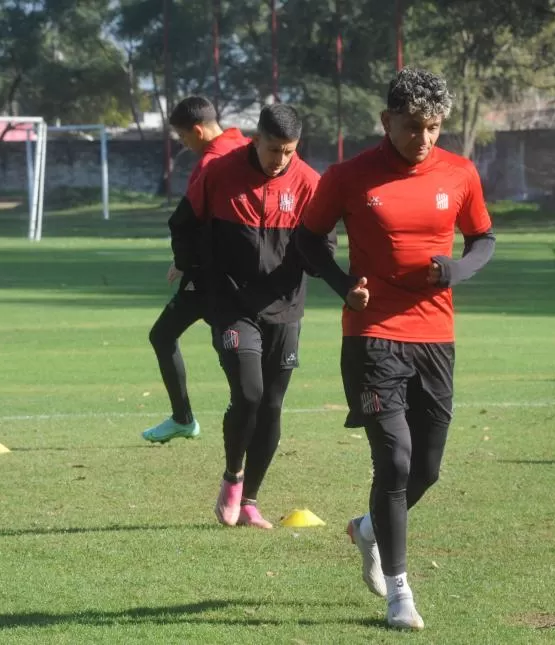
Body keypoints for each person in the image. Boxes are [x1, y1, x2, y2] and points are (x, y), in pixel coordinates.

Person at [295, 68, 496, 630]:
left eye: (433, 127)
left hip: (435, 337)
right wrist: (343, 287)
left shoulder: (460, 173)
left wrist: (456, 269)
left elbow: (484, 239)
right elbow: (306, 240)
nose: (424, 138)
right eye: (413, 126)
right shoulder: (348, 176)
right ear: (386, 121)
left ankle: (367, 528)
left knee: (427, 469)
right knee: (396, 461)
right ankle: (399, 594)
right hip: (372, 336)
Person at [170, 104, 330, 529]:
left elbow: (322, 242)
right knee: (250, 393)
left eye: (289, 151)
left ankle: (250, 500)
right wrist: (193, 269)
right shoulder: (219, 173)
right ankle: (232, 476)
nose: (280, 159)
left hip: (285, 307)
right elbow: (183, 223)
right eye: (273, 149)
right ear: (255, 139)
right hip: (233, 305)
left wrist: (325, 269)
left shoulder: (311, 182)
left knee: (273, 406)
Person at [143, 96, 247, 443]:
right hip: (244, 270)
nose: (184, 144)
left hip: (209, 273)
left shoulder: (211, 161)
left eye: (184, 137)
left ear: (198, 130)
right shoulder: (245, 145)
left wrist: (184, 262)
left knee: (166, 335)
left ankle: (186, 418)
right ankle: (247, 409)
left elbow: (192, 219)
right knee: (227, 340)